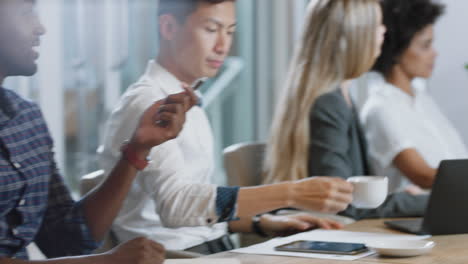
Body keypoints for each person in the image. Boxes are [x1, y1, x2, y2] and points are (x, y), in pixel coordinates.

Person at [99, 0, 353, 255]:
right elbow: (176, 207)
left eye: (230, 32)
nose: (223, 47)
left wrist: (261, 222)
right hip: (173, 255)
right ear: (168, 27)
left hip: (207, 246)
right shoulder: (150, 103)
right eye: (211, 30)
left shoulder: (185, 97)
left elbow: (198, 208)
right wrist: (293, 193)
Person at [0, 0, 198, 263]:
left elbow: (68, 241)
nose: (41, 28)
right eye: (27, 12)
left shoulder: (27, 119)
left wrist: (136, 151)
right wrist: (104, 262)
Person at [263, 0, 428, 220]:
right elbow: (342, 203)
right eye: (377, 25)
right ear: (356, 37)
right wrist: (428, 202)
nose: (384, 31)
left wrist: (403, 198)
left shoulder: (338, 97)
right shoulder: (329, 103)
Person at [361, 0, 468, 194]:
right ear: (397, 51)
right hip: (419, 214)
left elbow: (457, 161)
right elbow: (424, 176)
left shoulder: (423, 101)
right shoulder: (380, 109)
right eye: (426, 45)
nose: (435, 54)